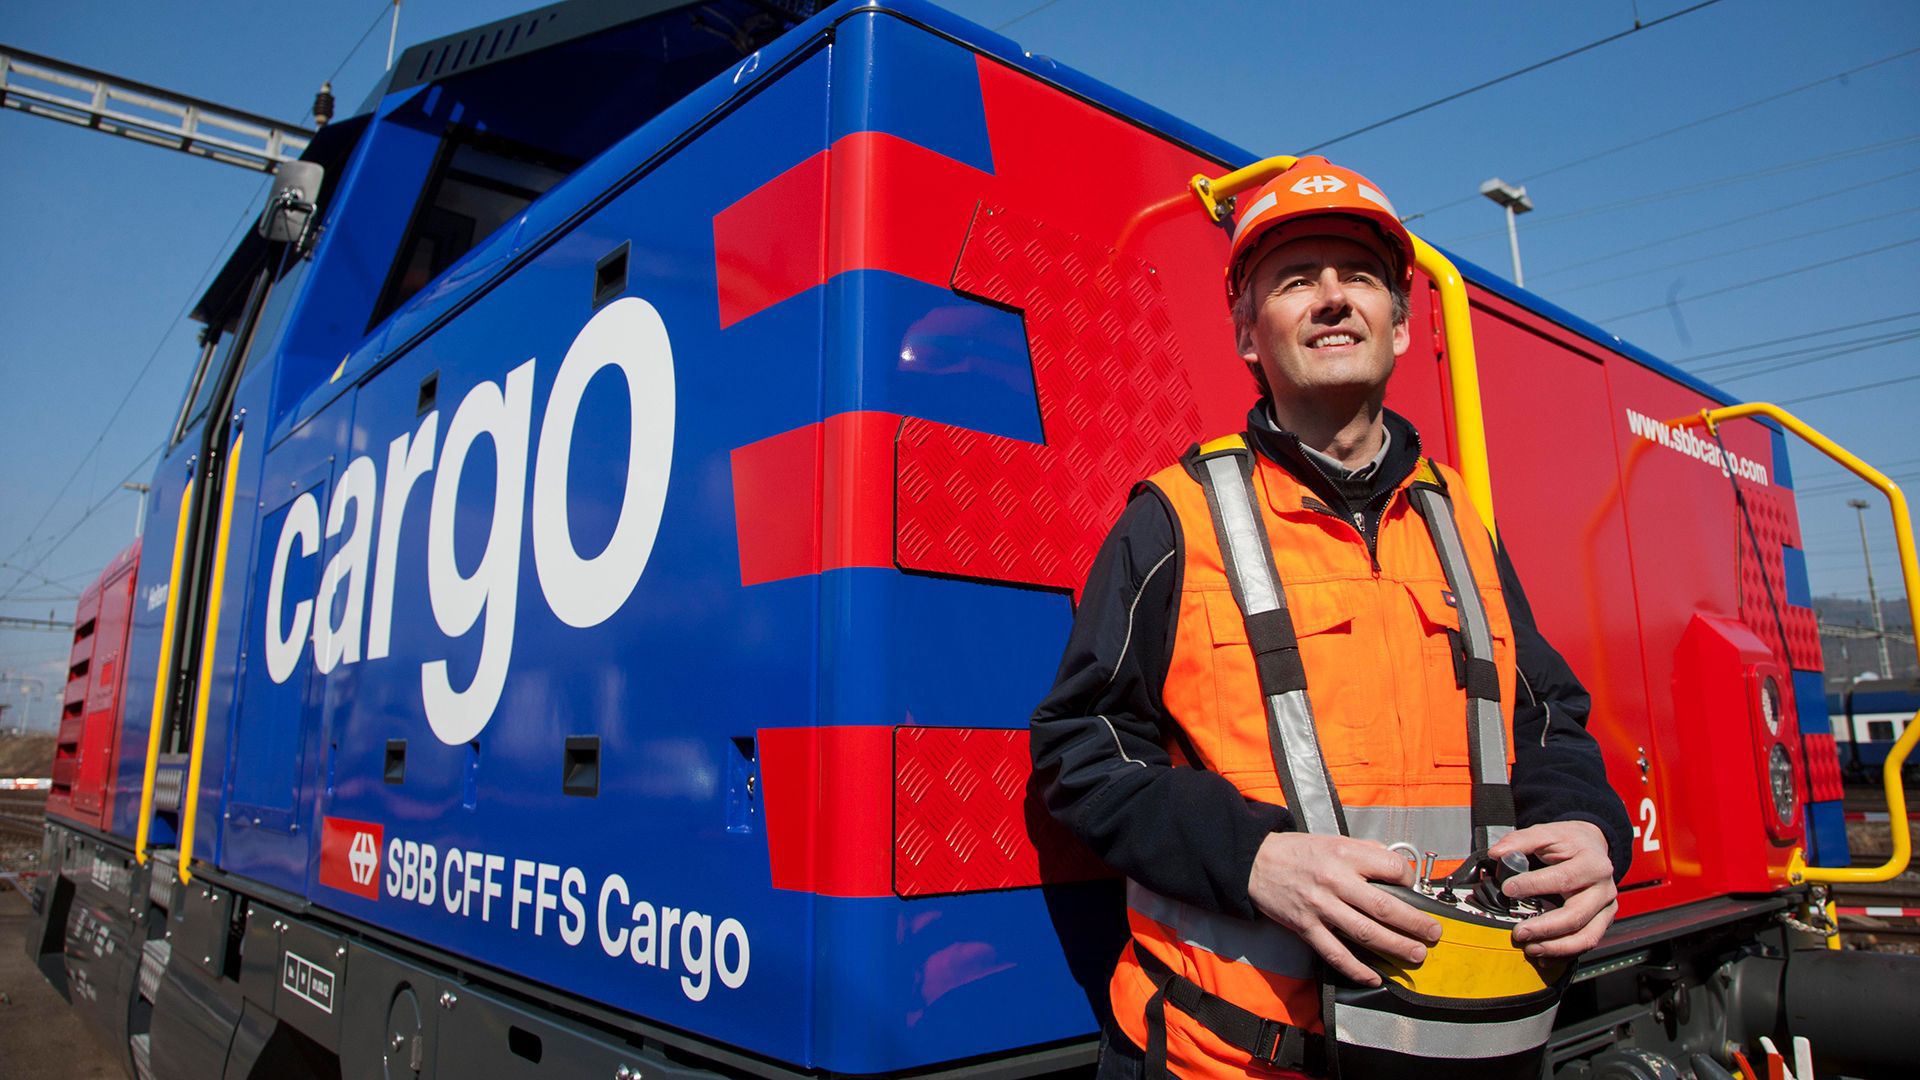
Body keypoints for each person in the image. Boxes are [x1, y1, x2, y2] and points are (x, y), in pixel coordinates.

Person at [1029, 156, 1632, 1078]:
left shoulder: (1460, 522)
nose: (1332, 299)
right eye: (1296, 280)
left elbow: (1546, 717)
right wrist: (1256, 859)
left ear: (1402, 323)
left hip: (1472, 1044)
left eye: (1358, 276)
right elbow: (1079, 751)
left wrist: (1592, 828)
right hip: (1232, 1059)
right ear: (1247, 333)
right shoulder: (1175, 516)